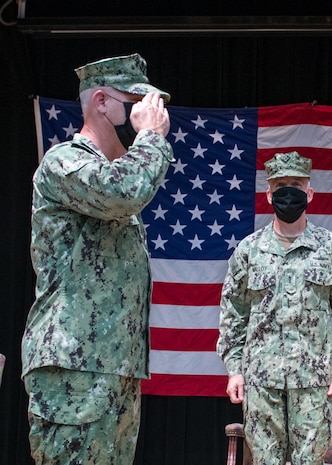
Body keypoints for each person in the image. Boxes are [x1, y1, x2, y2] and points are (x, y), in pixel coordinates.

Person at [22, 53, 174, 464]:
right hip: (74, 366)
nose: (147, 111)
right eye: (135, 99)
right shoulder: (64, 162)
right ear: (102, 101)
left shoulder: (115, 170)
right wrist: (152, 140)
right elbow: (122, 192)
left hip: (114, 367)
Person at [217, 151, 332, 465]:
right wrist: (234, 370)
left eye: (296, 185)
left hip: (313, 381)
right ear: (268, 195)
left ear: (309, 193)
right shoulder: (249, 250)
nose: (289, 192)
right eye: (280, 185)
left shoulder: (331, 247)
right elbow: (234, 313)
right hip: (261, 381)